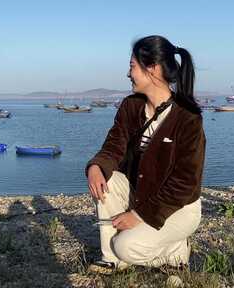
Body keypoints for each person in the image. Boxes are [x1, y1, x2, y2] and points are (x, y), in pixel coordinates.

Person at [85, 35, 206, 274]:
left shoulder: (188, 118)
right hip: (142, 194)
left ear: (153, 68)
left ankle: (176, 252)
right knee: (105, 179)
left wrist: (139, 215)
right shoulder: (131, 106)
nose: (128, 73)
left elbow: (185, 182)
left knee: (126, 245)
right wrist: (96, 166)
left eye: (132, 66)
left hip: (178, 208)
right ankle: (112, 259)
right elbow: (114, 146)